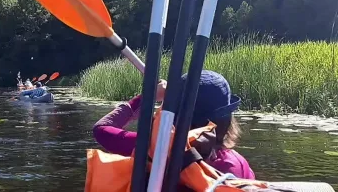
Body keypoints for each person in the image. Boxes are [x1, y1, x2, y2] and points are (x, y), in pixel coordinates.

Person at [92, 70, 255, 179]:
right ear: (226, 120)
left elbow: (101, 129)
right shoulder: (237, 166)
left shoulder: (150, 150)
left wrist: (147, 97)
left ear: (175, 114)